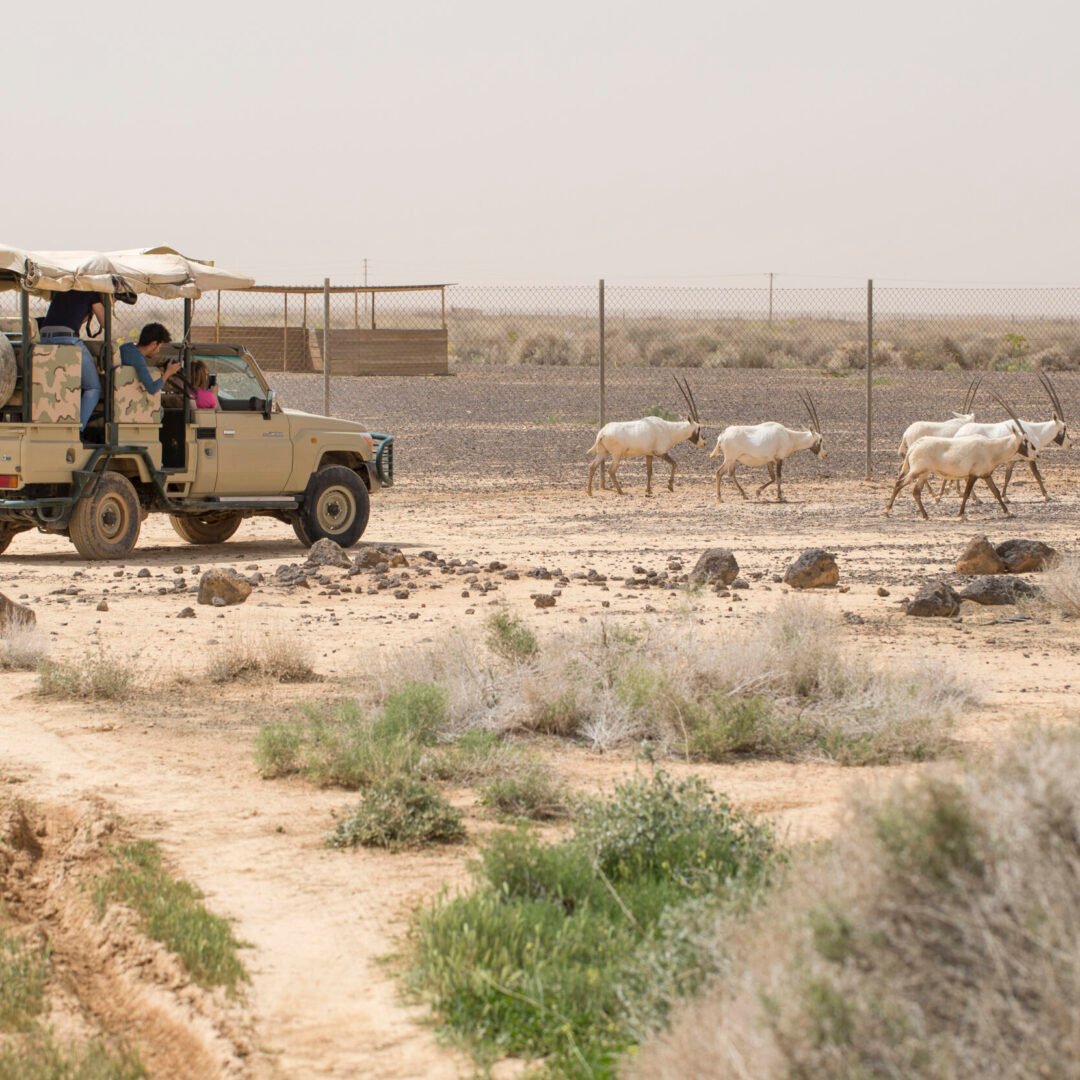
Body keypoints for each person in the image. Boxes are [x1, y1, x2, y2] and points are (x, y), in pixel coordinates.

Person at [37, 289, 105, 435]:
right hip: (67, 339)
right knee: (93, 388)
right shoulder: (91, 291)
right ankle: (76, 431)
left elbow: (72, 317)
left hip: (43, 338)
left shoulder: (62, 288)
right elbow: (105, 322)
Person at [119, 323, 181, 394]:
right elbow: (152, 389)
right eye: (159, 347)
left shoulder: (127, 347)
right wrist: (168, 373)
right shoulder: (138, 359)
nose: (158, 351)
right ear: (154, 344)